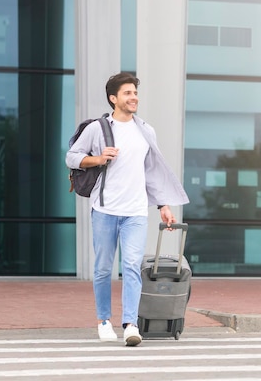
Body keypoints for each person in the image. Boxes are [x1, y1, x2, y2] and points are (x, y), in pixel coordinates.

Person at [65, 72, 189, 346]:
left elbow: (152, 172)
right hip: (106, 209)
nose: (134, 97)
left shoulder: (146, 130)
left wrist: (163, 205)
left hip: (135, 211)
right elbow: (71, 156)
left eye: (135, 93)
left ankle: (131, 324)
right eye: (127, 93)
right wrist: (97, 158)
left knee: (132, 266)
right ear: (113, 98)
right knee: (102, 268)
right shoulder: (98, 128)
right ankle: (103, 321)